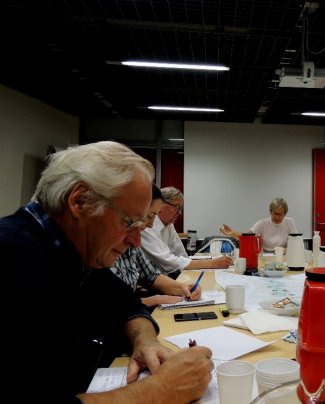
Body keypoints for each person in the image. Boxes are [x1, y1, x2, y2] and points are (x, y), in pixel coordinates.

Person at [0, 141, 213, 402]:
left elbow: (123, 301)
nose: (136, 241)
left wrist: (145, 340)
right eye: (130, 222)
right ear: (80, 201)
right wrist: (161, 390)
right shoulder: (11, 257)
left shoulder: (74, 252)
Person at [111, 184, 202, 308]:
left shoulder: (132, 244)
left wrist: (183, 288)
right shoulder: (99, 250)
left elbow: (151, 276)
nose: (151, 224)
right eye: (149, 216)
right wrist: (152, 300)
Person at [141, 186, 232, 276]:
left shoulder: (169, 225)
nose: (179, 212)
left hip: (164, 278)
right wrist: (212, 263)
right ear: (161, 205)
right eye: (177, 207)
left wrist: (205, 264)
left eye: (181, 208)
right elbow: (168, 261)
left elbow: (181, 254)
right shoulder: (146, 226)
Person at [220, 197, 298, 252]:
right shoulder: (262, 224)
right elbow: (247, 237)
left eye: (280, 214)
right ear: (270, 212)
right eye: (275, 213)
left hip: (283, 256)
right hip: (265, 257)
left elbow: (295, 242)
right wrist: (232, 233)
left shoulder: (290, 223)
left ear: (285, 214)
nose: (277, 217)